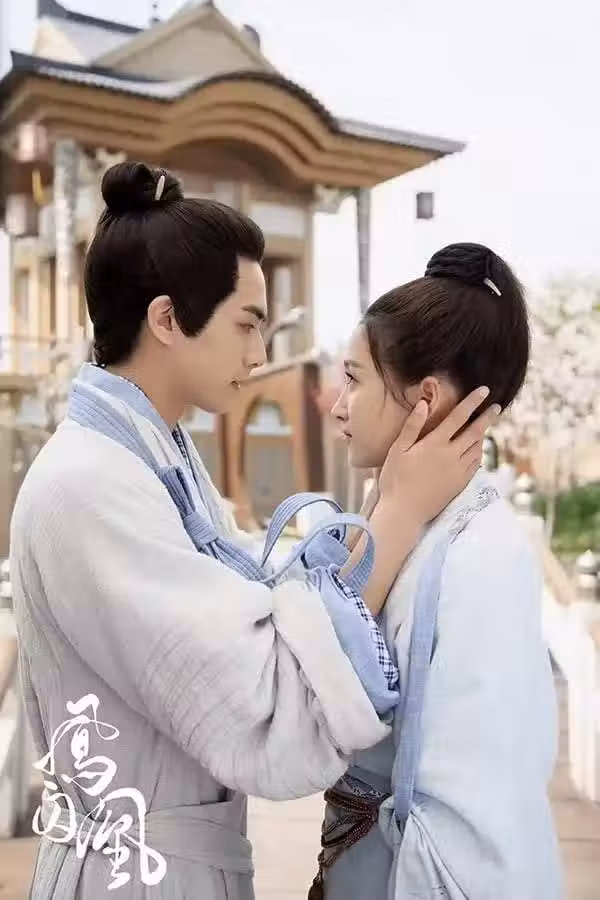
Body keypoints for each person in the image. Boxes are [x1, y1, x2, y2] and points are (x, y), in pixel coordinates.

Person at [9, 164, 497, 900]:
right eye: (247, 322)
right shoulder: (88, 484)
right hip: (134, 874)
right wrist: (397, 513)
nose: (261, 352)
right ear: (166, 320)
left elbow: (265, 606)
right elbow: (259, 702)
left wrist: (387, 503)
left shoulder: (156, 460)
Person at [312, 243, 563, 900]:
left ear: (424, 397)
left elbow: (475, 819)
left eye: (355, 379)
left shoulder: (478, 553)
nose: (338, 405)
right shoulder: (406, 520)